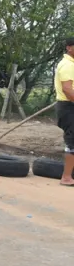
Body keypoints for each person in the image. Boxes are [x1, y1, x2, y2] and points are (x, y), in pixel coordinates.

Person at [55, 37, 74, 186]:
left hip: (69, 105)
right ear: (69, 47)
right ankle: (66, 177)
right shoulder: (67, 65)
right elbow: (67, 89)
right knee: (72, 140)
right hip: (68, 107)